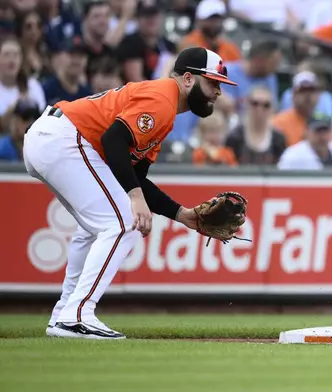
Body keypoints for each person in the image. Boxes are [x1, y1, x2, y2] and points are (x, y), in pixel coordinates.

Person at [22, 47, 239, 340]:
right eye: (213, 83)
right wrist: (135, 198)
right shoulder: (162, 99)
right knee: (123, 222)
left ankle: (65, 313)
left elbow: (135, 176)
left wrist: (182, 214)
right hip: (65, 140)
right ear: (188, 79)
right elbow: (114, 140)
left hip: (53, 138)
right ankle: (76, 316)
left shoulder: (164, 109)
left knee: (94, 228)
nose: (218, 92)